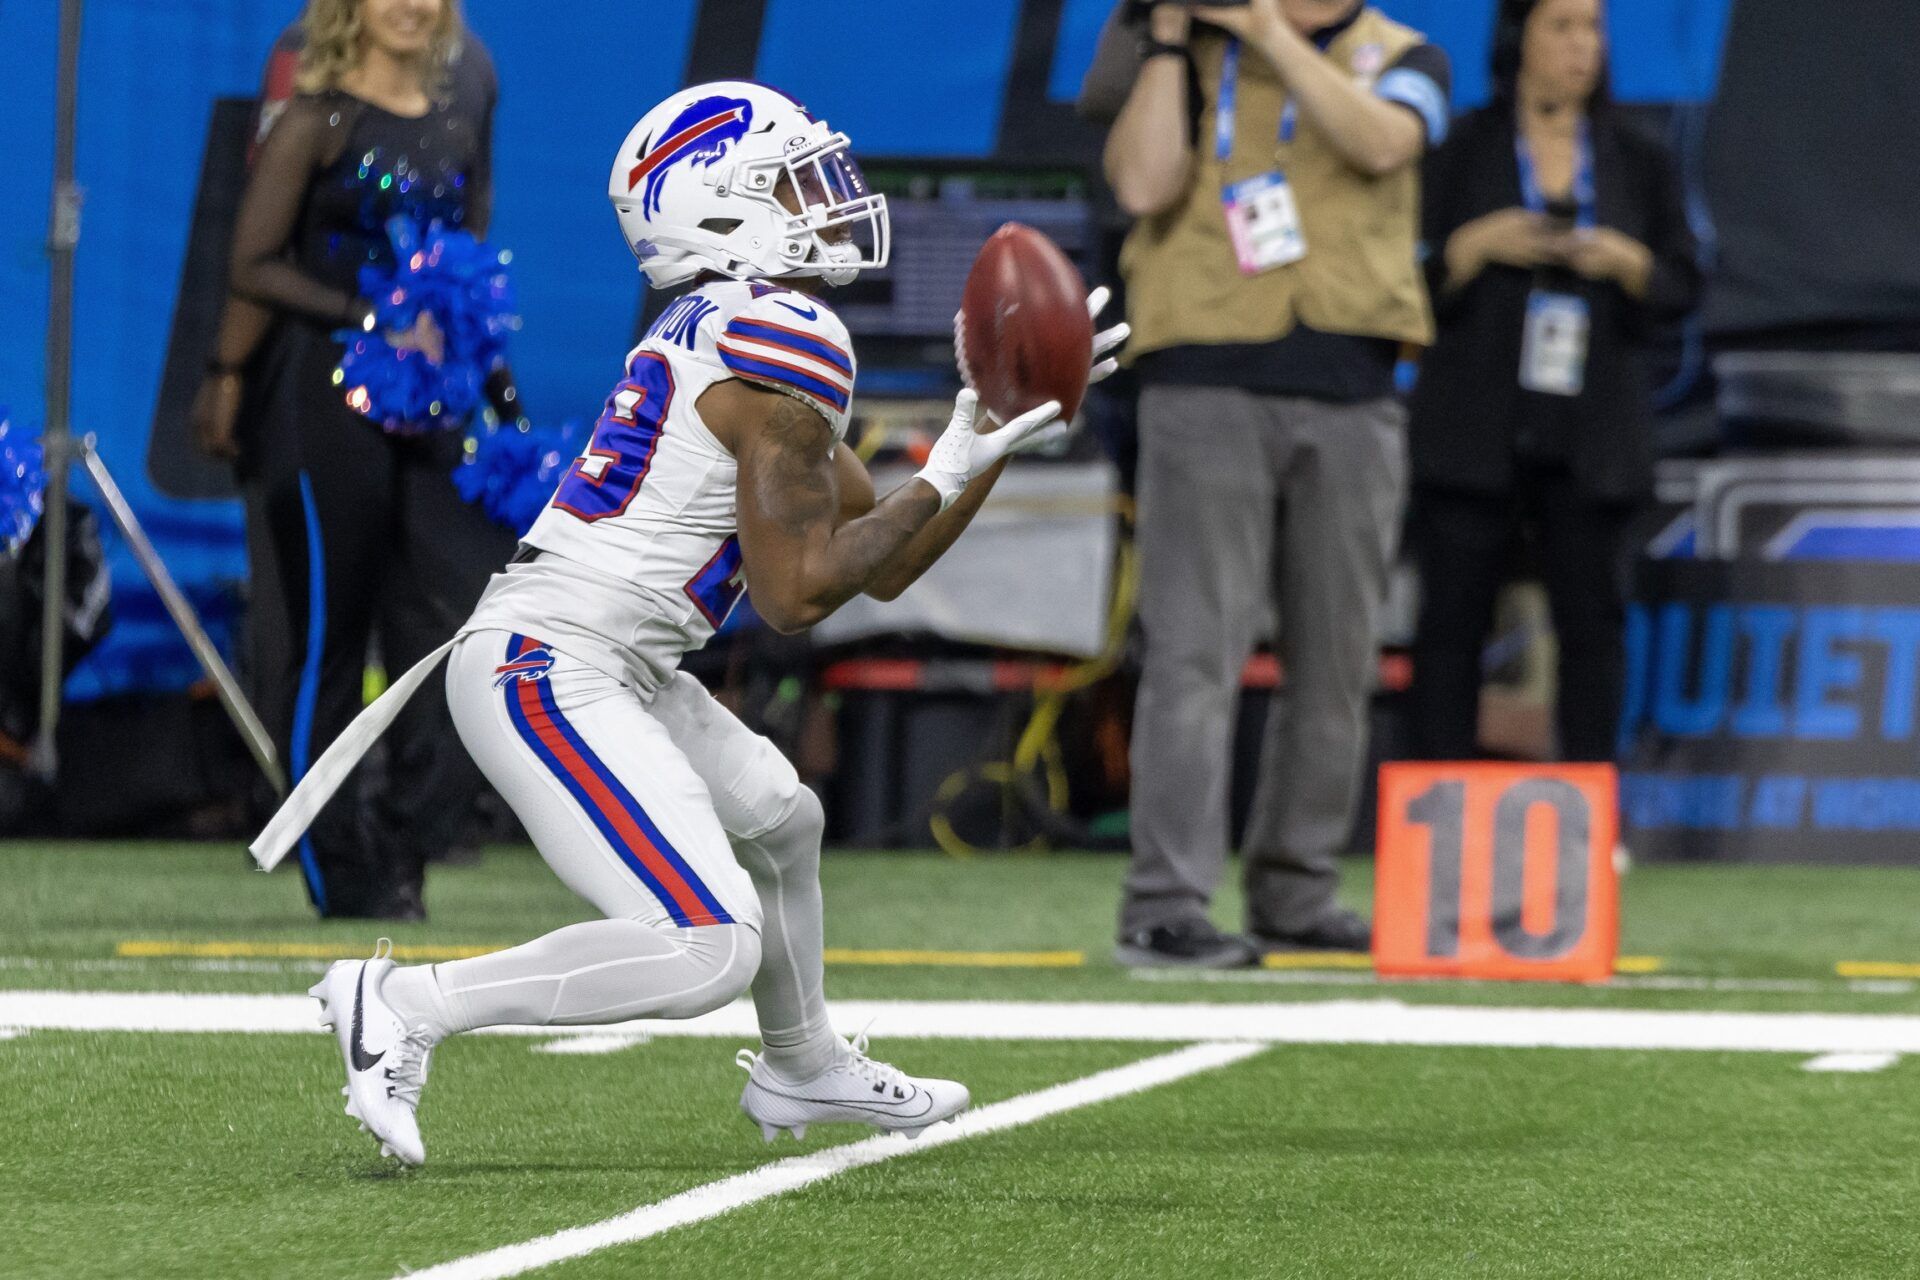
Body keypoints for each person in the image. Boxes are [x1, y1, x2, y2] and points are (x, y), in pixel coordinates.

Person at [260, 80, 1127, 1166]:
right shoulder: (780, 331)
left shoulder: (728, 329)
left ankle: (802, 1062)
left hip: (604, 653)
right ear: (715, 209)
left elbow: (885, 555)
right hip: (555, 661)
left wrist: (984, 440)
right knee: (705, 942)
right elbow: (798, 592)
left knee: (781, 817)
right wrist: (954, 461)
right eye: (794, 182)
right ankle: (400, 1000)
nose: (830, 199)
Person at [1097, 0, 1451, 965]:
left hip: (1354, 383)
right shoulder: (1173, 45)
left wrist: (1267, 31)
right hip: (1202, 375)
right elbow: (1140, 180)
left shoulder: (1407, 54)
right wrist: (1171, 37)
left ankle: (1297, 889)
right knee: (1194, 655)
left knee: (1339, 661)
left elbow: (1384, 143)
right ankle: (1165, 907)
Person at [216, 0, 516, 919]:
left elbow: (467, 259)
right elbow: (253, 264)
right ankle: (336, 866)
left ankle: (408, 838)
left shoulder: (461, 118)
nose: (409, 6)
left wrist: (497, 384)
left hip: (434, 404)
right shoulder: (317, 120)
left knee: (461, 626)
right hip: (323, 405)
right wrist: (366, 317)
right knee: (327, 643)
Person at [1406, 0, 1699, 763]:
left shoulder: (1640, 157)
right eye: (1561, 26)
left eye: (1592, 28)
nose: (1581, 46)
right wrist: (1474, 247)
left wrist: (1624, 261)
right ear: (1518, 38)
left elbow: (1683, 285)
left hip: (1593, 428)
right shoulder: (1461, 149)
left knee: (1593, 627)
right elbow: (1404, 284)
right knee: (1450, 626)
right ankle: (1434, 802)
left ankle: (1591, 810)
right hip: (1474, 422)